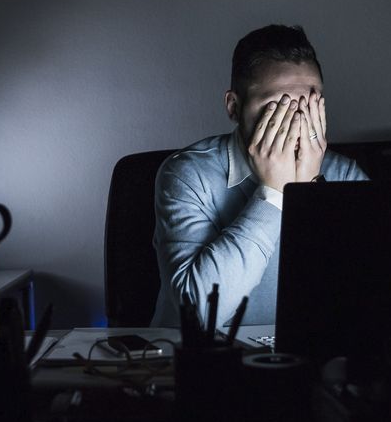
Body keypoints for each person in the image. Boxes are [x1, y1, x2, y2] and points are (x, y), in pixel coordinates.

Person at [150, 24, 367, 328]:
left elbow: (360, 297)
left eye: (308, 105)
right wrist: (275, 192)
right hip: (201, 363)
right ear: (234, 107)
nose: (295, 122)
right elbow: (198, 312)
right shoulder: (188, 174)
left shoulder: (344, 175)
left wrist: (309, 192)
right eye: (276, 107)